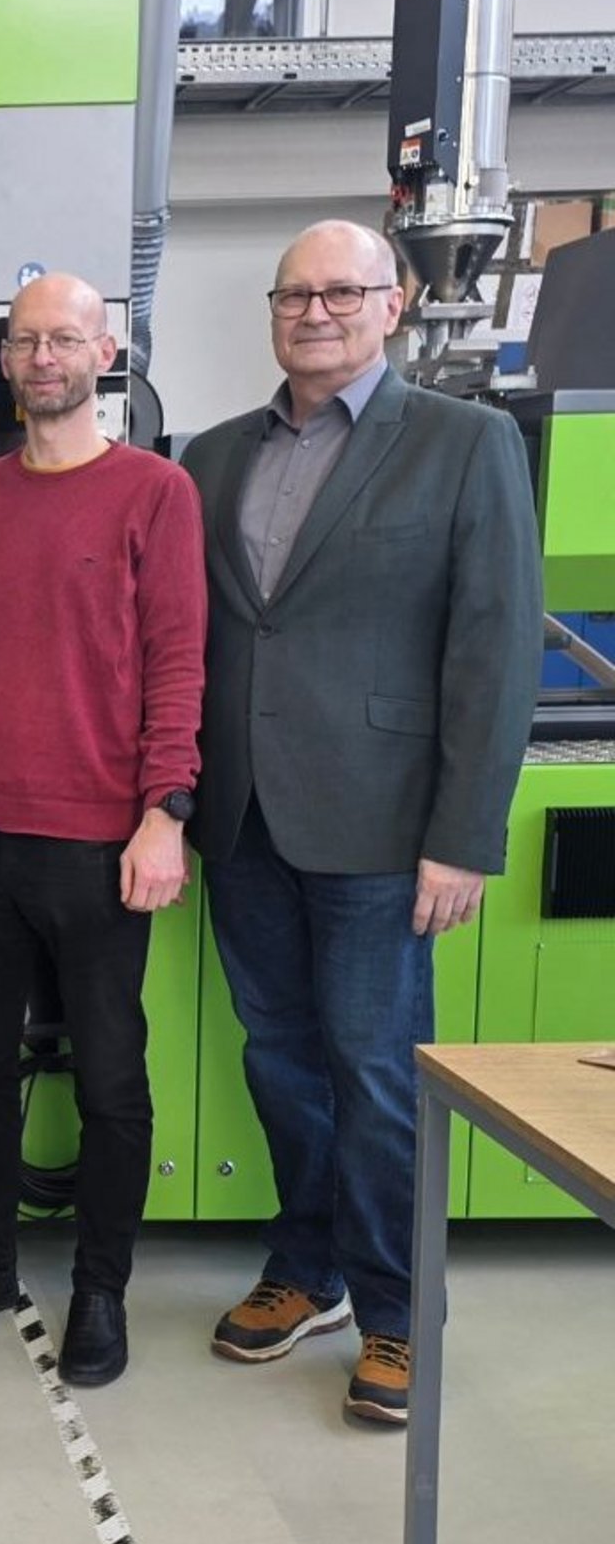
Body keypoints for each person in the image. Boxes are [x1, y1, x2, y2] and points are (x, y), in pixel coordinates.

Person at [182, 219, 543, 1426]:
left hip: (384, 829)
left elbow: (494, 650)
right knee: (281, 1060)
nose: (317, 313)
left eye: (344, 293)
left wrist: (465, 835)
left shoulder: (464, 443)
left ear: (395, 305)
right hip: (244, 818)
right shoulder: (214, 456)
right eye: (296, 295)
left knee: (376, 1073)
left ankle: (397, 1312)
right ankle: (309, 1268)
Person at [0, 273, 206, 1387]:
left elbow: (177, 662)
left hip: (98, 842)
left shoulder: (156, 492)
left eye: (64, 340)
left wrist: (164, 813)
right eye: (26, 342)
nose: (43, 359)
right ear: (5, 360)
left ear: (104, 353)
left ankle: (101, 1291)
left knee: (111, 1076)